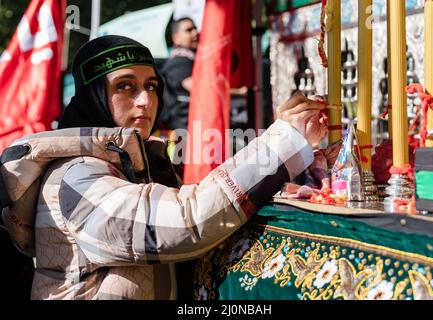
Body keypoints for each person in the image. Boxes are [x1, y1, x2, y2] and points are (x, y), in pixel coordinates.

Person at [16, 35, 326, 300]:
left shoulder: (143, 163)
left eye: (151, 86)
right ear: (93, 96)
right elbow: (184, 223)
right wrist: (280, 143)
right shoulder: (76, 175)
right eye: (125, 86)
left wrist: (276, 188)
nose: (144, 100)